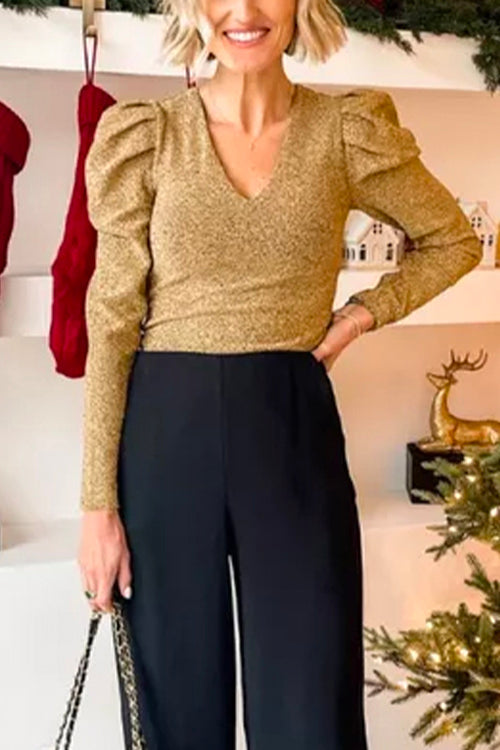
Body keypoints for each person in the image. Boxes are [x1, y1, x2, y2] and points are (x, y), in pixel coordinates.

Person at [77, 0, 483, 748]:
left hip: (292, 432)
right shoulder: (149, 137)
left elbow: (452, 240)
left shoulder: (344, 132)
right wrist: (97, 506)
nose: (244, 11)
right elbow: (111, 321)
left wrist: (360, 315)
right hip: (165, 443)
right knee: (175, 718)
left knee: (311, 713)